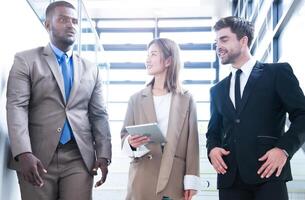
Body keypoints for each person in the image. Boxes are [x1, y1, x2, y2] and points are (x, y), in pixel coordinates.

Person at [6, 1, 112, 200]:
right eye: (63, 19)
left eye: (74, 21)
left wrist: (104, 153)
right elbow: (16, 107)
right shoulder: (26, 60)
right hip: (36, 157)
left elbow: (99, 115)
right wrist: (23, 153)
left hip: (78, 157)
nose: (71, 25)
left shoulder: (91, 69)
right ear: (48, 24)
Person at [206, 16, 305, 200]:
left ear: (243, 41)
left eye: (224, 39)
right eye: (216, 41)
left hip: (268, 173)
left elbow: (302, 115)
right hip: (230, 178)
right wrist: (212, 149)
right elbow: (213, 132)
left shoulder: (277, 73)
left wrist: (283, 149)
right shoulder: (217, 90)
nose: (218, 46)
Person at [121, 38, 200, 200]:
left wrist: (191, 180)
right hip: (142, 175)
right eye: (147, 55)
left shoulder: (186, 98)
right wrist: (131, 143)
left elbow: (193, 143)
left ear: (168, 60)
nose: (147, 59)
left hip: (174, 176)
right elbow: (124, 136)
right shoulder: (135, 99)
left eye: (153, 54)